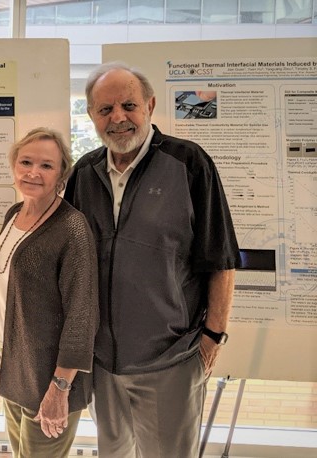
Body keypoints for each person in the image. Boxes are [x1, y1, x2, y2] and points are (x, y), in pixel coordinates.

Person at [64, 61, 240, 457]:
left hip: (171, 360)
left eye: (128, 105)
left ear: (149, 106)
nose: (118, 118)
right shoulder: (85, 173)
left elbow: (221, 260)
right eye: (105, 109)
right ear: (91, 115)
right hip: (103, 364)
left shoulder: (189, 163)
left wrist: (212, 338)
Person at [0, 127, 99, 457]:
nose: (33, 172)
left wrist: (60, 387)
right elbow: (3, 288)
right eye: (26, 162)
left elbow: (82, 313)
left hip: (49, 374)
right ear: (14, 166)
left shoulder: (72, 228)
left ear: (62, 174)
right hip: (12, 363)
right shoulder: (13, 214)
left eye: (46, 165)